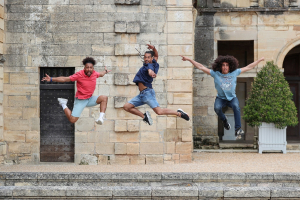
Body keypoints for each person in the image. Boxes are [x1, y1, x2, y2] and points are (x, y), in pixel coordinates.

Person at [181, 55, 264, 139]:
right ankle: (225, 120)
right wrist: (189, 59)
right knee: (217, 108)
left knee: (236, 106)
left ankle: (238, 129)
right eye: (223, 65)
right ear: (220, 66)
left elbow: (248, 67)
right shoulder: (215, 74)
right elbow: (201, 67)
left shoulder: (234, 72)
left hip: (232, 98)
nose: (225, 67)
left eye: (227, 65)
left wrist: (259, 60)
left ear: (230, 66)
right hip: (220, 98)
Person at [123, 44, 190, 125]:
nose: (146, 59)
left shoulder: (149, 66)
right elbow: (157, 56)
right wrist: (154, 48)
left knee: (159, 112)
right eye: (145, 57)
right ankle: (145, 117)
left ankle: (179, 113)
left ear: (151, 58)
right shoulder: (154, 63)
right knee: (126, 107)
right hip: (142, 95)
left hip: (147, 93)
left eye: (148, 57)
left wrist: (151, 73)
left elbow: (150, 70)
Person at [41, 57, 111, 125]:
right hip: (80, 100)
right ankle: (63, 104)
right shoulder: (79, 75)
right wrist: (51, 79)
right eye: (87, 67)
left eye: (91, 67)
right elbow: (65, 79)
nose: (89, 69)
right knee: (72, 120)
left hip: (89, 99)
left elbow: (101, 74)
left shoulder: (95, 73)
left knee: (104, 98)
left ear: (93, 68)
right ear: (84, 68)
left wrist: (105, 71)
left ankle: (101, 118)